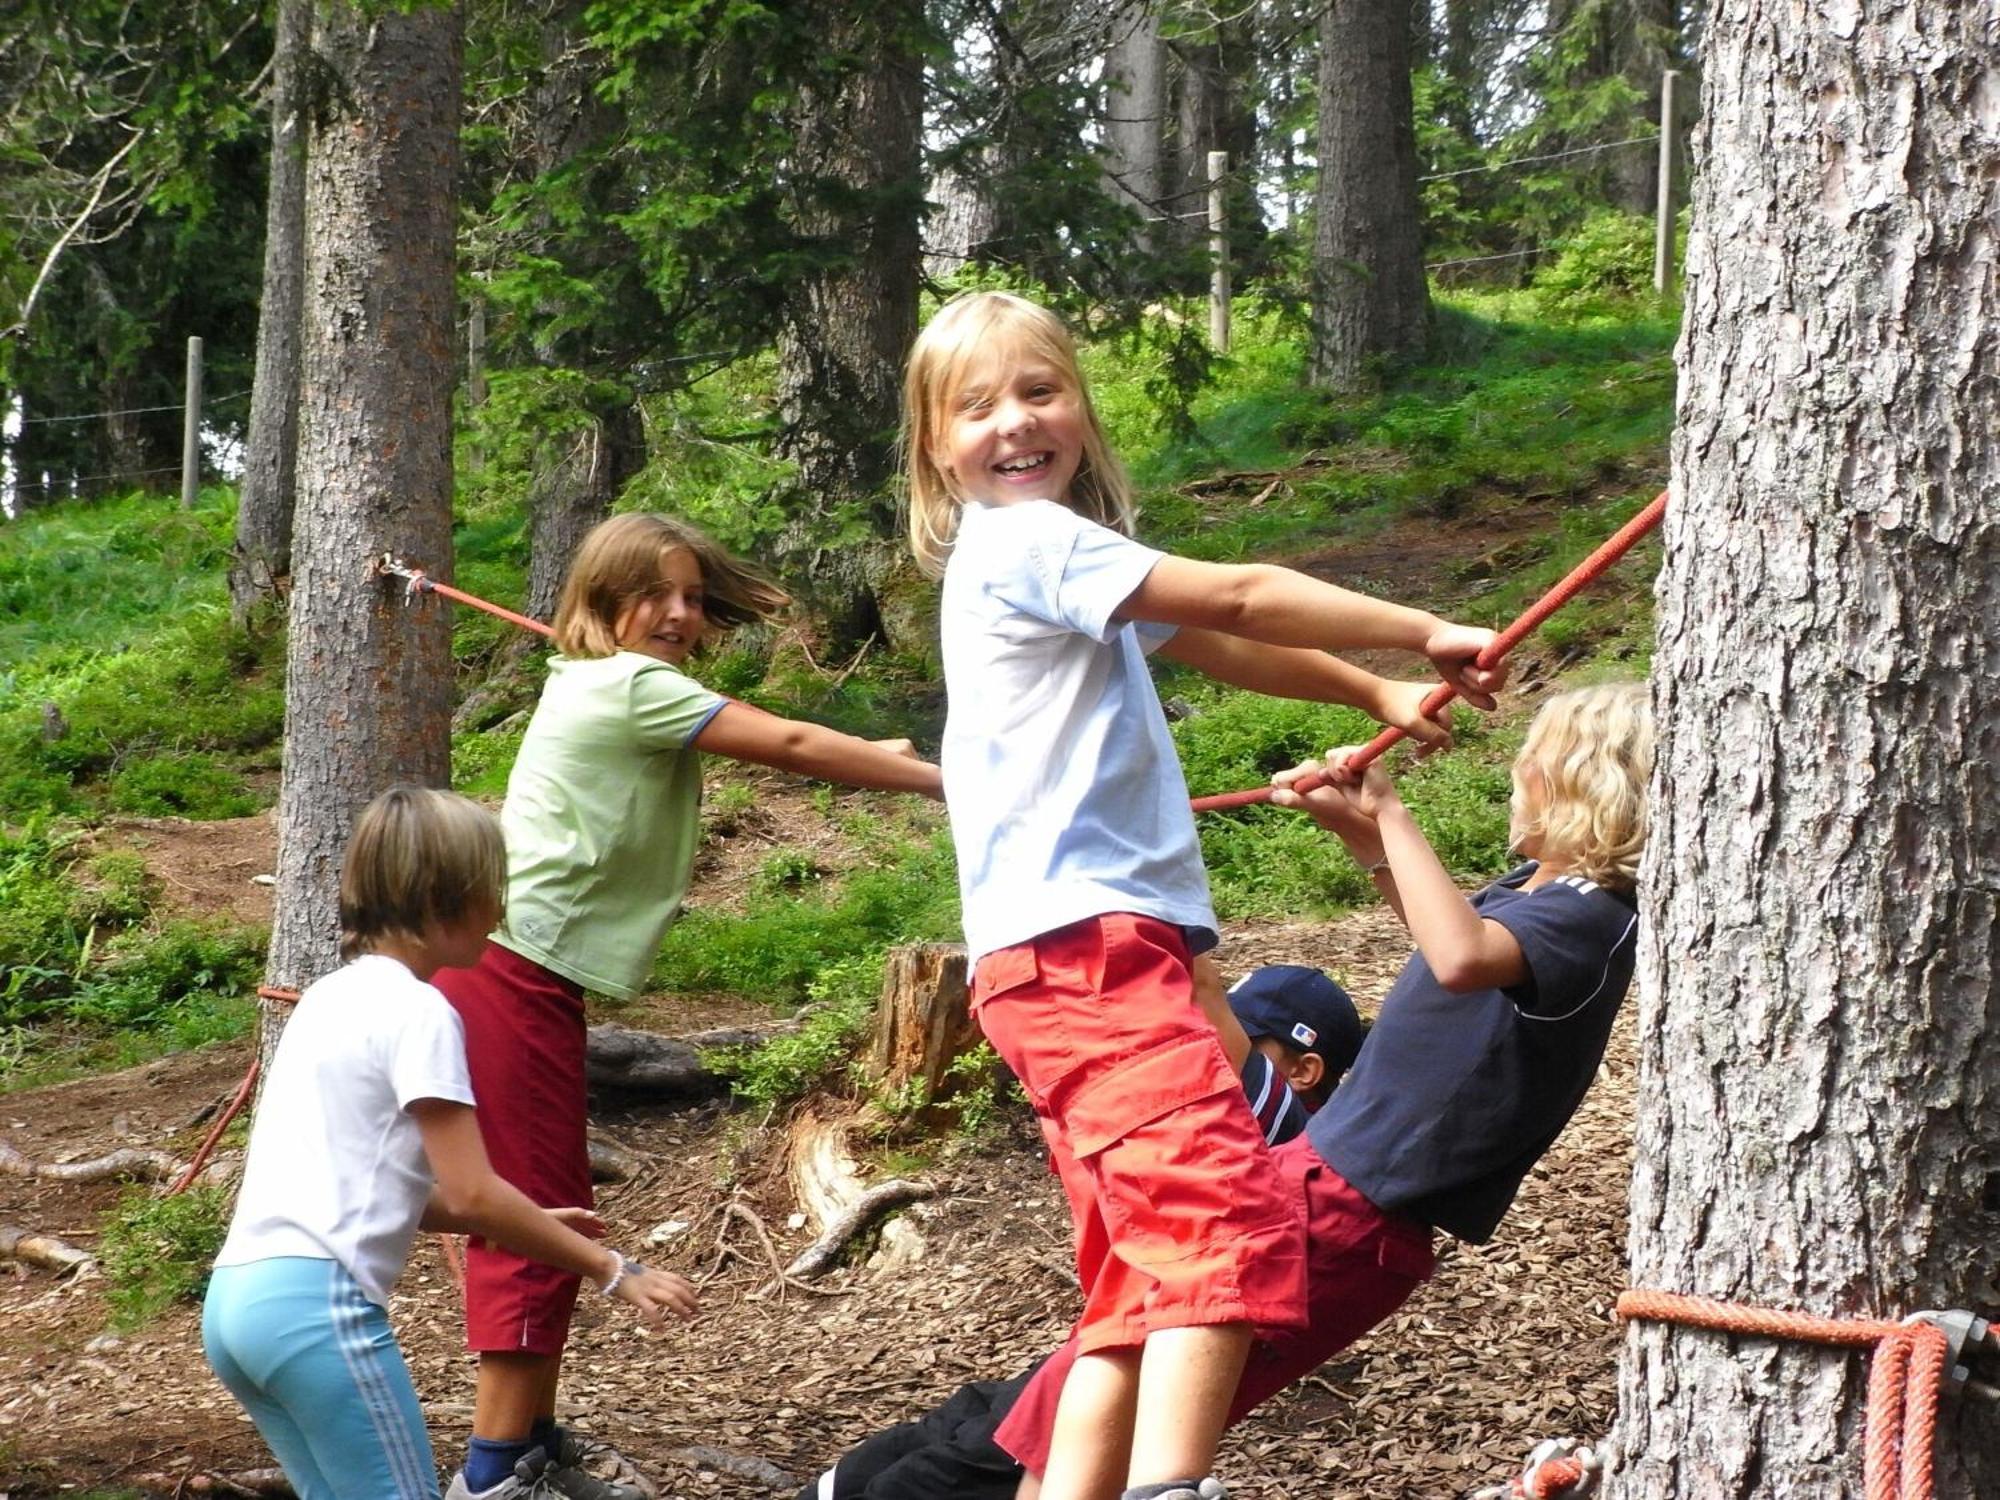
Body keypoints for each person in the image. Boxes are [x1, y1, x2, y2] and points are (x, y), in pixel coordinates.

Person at [902, 288, 1508, 1500]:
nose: (1016, 423)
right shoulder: (1025, 543)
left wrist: (1366, 693)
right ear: (935, 448)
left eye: (1040, 390)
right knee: (1218, 1226)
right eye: (977, 407)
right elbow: (1233, 595)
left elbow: (1221, 641)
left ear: (1079, 406)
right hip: (1086, 956)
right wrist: (1418, 629)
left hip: (1068, 963)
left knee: (1132, 1289)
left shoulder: (1064, 565)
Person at [993, 681, 1653, 1493]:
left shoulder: (1598, 912)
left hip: (1354, 1210)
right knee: (1079, 1394)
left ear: (1580, 780)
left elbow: (1461, 958)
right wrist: (1358, 828)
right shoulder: (1538, 890)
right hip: (1312, 1178)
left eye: (1531, 763)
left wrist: (1394, 812)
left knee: (1121, 1416)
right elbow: (1448, 939)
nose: (1515, 778)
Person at [434, 514, 943, 1500]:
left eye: (692, 598)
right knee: (538, 1214)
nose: (676, 613)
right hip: (509, 973)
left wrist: (881, 750)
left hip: (517, 971)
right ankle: (495, 1476)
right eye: (652, 593)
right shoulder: (629, 686)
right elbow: (788, 741)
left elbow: (784, 733)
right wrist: (944, 781)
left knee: (545, 1200)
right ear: (596, 599)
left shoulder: (601, 681)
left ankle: (527, 1441)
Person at [202, 787, 698, 1500]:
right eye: (492, 891)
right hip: (318, 1313)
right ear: (447, 900)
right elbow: (472, 1187)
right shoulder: (420, 1010)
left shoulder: (328, 1000)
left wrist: (523, 1224)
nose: (500, 913)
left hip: (238, 1306)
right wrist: (613, 1268)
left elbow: (377, 1184)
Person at [801, 967, 1365, 1500]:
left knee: (965, 1463)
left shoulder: (1279, 1116)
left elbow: (1201, 991)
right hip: (1118, 1330)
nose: (1204, 1037)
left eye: (1245, 1034)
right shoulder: (1228, 1105)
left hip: (1144, 1344)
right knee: (963, 1417)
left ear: (1303, 1070)